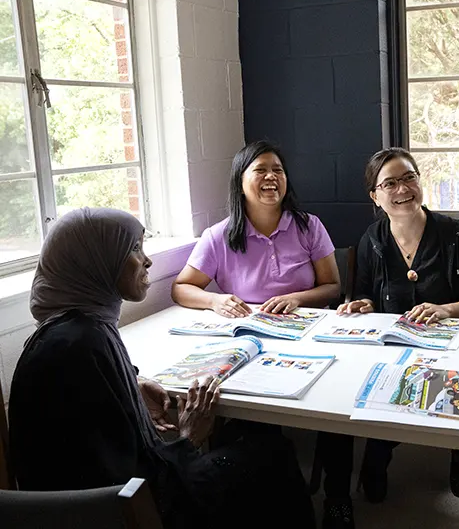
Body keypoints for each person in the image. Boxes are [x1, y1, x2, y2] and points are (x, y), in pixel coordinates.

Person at [8, 208, 315, 529]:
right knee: (271, 454)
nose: (147, 260)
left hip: (104, 503)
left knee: (251, 447)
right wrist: (189, 437)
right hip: (118, 514)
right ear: (97, 260)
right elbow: (126, 486)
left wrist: (132, 384)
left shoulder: (77, 328)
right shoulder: (80, 344)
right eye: (134, 249)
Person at [316, 148, 459, 528]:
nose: (402, 189)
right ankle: (371, 456)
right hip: (390, 348)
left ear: (419, 181)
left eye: (409, 177)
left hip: (449, 347)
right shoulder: (372, 239)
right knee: (334, 393)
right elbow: (362, 292)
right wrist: (360, 305)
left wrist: (446, 309)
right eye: (390, 183)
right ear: (375, 196)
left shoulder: (453, 235)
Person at [172, 140, 340, 315]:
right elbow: (181, 288)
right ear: (240, 184)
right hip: (247, 328)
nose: (271, 176)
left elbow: (332, 288)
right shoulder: (217, 236)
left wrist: (296, 299)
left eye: (278, 170)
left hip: (306, 324)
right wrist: (214, 301)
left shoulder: (309, 226)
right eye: (260, 170)